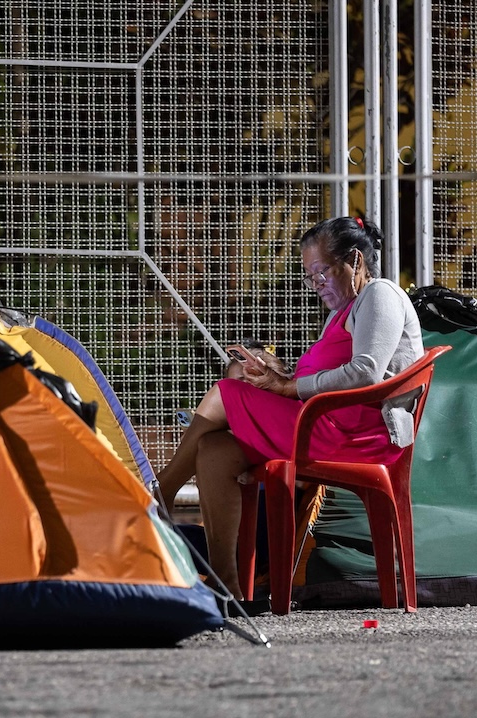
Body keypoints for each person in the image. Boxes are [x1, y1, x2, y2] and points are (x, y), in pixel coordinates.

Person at [155, 216, 424, 598]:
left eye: (321, 272)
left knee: (227, 391)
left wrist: (288, 386)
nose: (316, 285)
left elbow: (366, 373)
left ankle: (159, 495)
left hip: (358, 435)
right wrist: (275, 374)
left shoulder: (380, 295)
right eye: (309, 277)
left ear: (356, 261)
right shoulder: (342, 310)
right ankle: (225, 586)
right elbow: (322, 379)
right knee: (214, 450)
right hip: (323, 425)